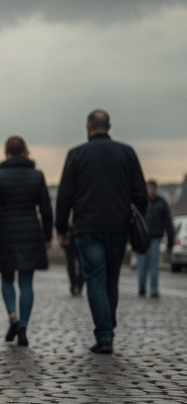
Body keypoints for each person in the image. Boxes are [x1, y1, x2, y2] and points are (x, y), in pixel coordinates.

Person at [55, 109, 148, 355]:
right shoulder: (127, 153)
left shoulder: (76, 155)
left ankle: (104, 334)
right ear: (109, 126)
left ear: (88, 128)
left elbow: (64, 196)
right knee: (111, 279)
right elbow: (140, 194)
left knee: (94, 278)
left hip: (87, 227)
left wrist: (62, 228)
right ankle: (108, 330)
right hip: (118, 228)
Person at [0, 136, 54, 347]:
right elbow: (46, 209)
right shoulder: (37, 176)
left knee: (6, 279)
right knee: (26, 282)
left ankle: (13, 316)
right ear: (25, 151)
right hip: (31, 231)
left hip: (5, 232)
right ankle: (23, 327)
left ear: (6, 152)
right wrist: (47, 236)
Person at [136, 180, 175, 298]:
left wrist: (170, 239)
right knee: (142, 264)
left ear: (155, 189)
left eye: (152, 188)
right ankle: (141, 288)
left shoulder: (161, 203)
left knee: (153, 264)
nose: (150, 190)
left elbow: (168, 222)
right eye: (148, 188)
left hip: (155, 238)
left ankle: (154, 290)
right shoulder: (141, 202)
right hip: (141, 238)